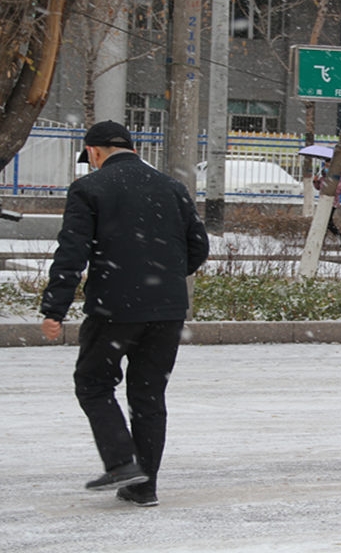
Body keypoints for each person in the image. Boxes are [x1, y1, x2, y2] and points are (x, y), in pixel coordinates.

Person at [40, 120, 210, 507]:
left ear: (94, 152)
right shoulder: (172, 187)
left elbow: (72, 253)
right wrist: (162, 280)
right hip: (167, 312)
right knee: (149, 396)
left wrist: (55, 308)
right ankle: (144, 486)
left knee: (93, 384)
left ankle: (121, 463)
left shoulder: (89, 188)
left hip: (114, 309)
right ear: (133, 149)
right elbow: (198, 246)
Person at [313, 160, 341, 249]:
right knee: (324, 222)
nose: (327, 166)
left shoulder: (336, 176)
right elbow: (318, 187)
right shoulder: (323, 176)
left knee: (327, 222)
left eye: (329, 164)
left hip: (332, 202)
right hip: (323, 201)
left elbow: (339, 189)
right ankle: (339, 238)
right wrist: (315, 181)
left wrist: (329, 186)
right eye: (326, 164)